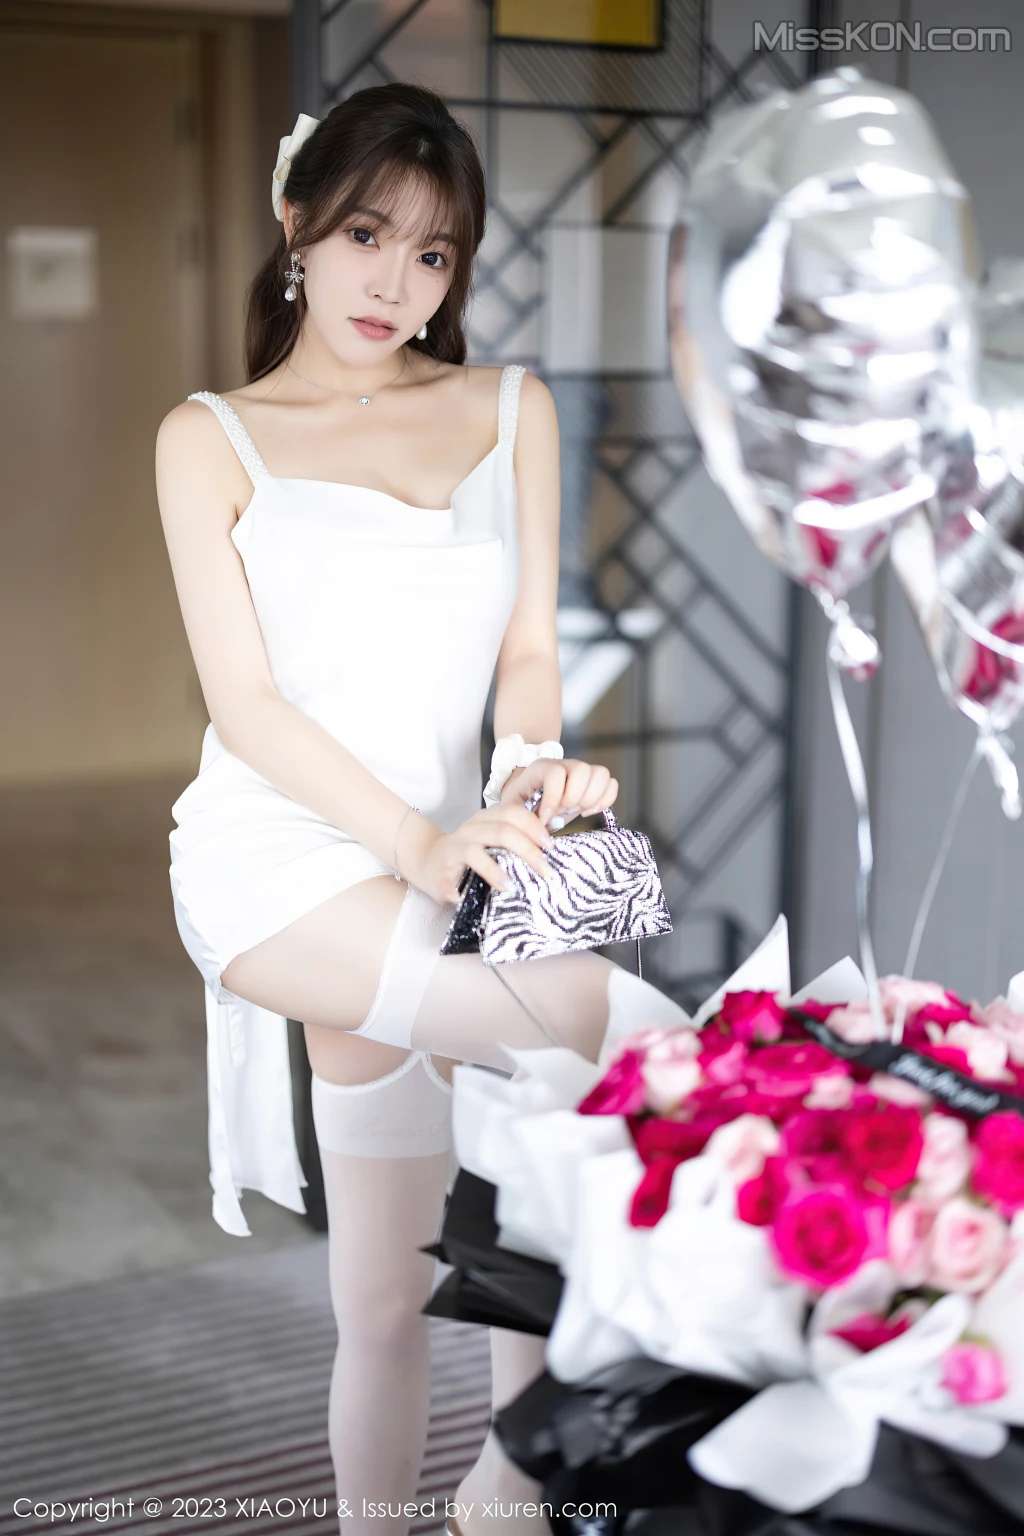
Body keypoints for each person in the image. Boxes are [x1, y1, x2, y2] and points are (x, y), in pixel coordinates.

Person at [155, 81, 690, 1536]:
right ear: (296, 224)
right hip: (285, 869)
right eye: (366, 234)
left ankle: (451, 1507)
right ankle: (514, 1486)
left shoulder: (509, 408)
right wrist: (418, 843)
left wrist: (533, 768)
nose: (395, 281)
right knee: (635, 1048)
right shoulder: (210, 437)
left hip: (465, 868)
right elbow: (248, 707)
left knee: (391, 1296)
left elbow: (529, 652)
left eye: (434, 251)